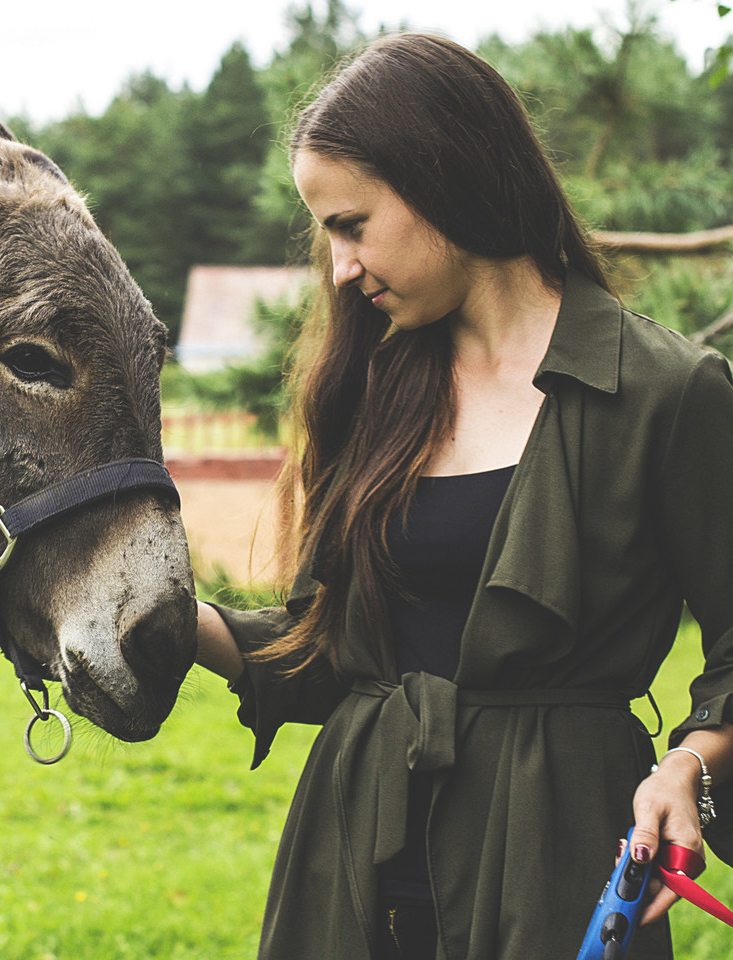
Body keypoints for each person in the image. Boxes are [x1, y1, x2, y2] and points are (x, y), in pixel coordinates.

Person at [192, 32, 733, 960]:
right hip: (351, 877)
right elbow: (337, 663)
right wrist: (180, 624)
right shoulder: (367, 390)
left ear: (445, 180)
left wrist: (691, 762)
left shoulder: (667, 393)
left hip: (559, 869)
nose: (340, 269)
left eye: (351, 225)